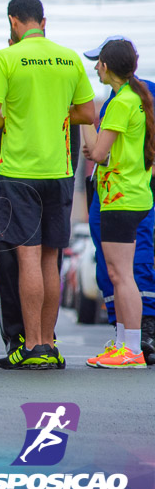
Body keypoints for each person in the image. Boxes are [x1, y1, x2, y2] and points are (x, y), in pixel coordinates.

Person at [0, 0, 95, 370]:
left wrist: (20, 113)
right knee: (52, 258)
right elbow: (86, 113)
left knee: (27, 257)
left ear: (13, 21)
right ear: (43, 21)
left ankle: (30, 347)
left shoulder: (6, 58)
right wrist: (53, 112)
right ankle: (49, 344)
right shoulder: (69, 58)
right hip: (61, 171)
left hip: (19, 172)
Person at [81, 36, 155, 366]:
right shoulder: (135, 97)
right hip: (130, 194)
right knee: (117, 272)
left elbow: (98, 152)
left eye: (98, 63)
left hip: (120, 196)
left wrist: (83, 120)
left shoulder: (122, 102)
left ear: (107, 66)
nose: (95, 68)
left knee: (122, 274)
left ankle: (132, 349)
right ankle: (125, 344)